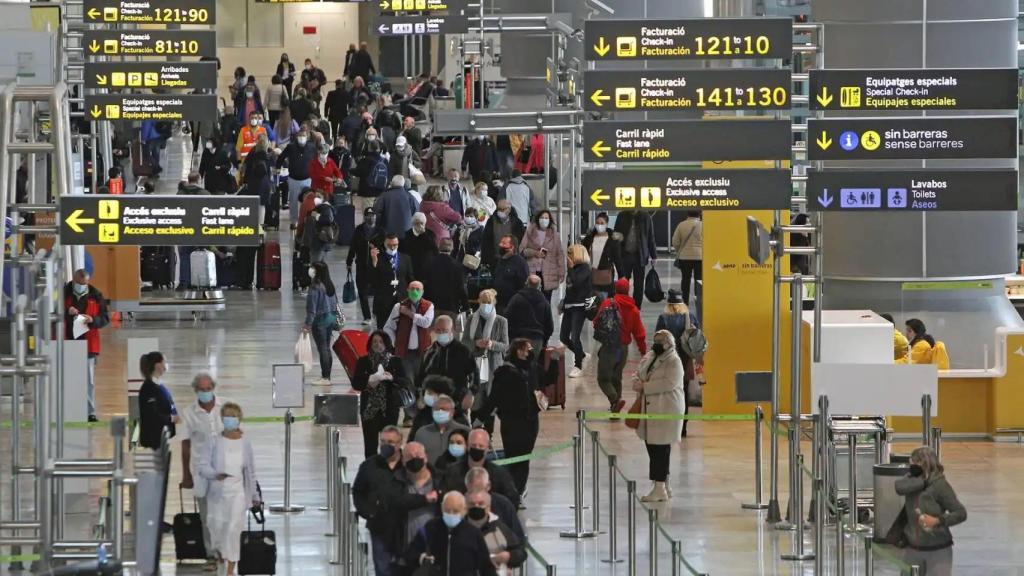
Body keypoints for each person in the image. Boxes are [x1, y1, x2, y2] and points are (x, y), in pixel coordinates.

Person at [198, 402, 261, 576]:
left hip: (238, 494)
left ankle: (231, 571)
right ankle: (220, 561)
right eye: (227, 416)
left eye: (233, 416)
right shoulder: (213, 441)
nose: (230, 420)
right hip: (217, 494)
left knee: (234, 529)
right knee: (217, 530)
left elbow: (251, 472)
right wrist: (215, 474)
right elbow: (202, 466)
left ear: (239, 420)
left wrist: (255, 495)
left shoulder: (245, 443)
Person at [477, 338, 541, 495]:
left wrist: (553, 362)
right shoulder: (505, 373)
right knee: (514, 457)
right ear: (519, 351)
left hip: (530, 422)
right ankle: (513, 490)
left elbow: (545, 382)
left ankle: (519, 491)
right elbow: (494, 398)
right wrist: (480, 418)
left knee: (524, 459)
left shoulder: (530, 368)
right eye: (528, 349)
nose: (530, 352)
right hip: (512, 423)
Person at [631, 330, 687, 502]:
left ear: (669, 343)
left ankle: (659, 487)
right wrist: (637, 381)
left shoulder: (674, 361)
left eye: (661, 340)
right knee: (654, 446)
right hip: (650, 410)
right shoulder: (651, 355)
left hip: (666, 409)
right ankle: (664, 484)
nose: (657, 343)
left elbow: (669, 383)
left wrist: (644, 387)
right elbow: (640, 370)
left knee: (659, 449)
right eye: (655, 340)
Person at [893, 446, 966, 576]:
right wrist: (922, 482)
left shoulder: (940, 486)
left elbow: (960, 513)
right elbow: (899, 487)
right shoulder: (910, 479)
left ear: (925, 463)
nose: (911, 467)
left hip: (938, 550)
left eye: (915, 463)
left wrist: (938, 521)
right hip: (912, 548)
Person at [179, 372, 225, 567]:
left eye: (208, 389)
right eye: (202, 390)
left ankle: (225, 549)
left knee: (224, 513)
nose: (206, 393)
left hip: (225, 470)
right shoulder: (189, 413)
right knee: (207, 515)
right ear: (196, 391)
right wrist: (186, 474)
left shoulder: (226, 407)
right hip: (201, 472)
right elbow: (185, 444)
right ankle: (211, 552)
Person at [352, 425, 407, 576]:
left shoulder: (409, 465)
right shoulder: (369, 466)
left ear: (400, 443)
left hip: (405, 527)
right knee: (383, 568)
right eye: (383, 441)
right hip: (379, 526)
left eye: (390, 442)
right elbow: (358, 491)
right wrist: (368, 512)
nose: (386, 445)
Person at [407, 491, 497, 576]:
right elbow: (411, 553)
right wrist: (422, 558)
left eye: (455, 511)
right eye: (447, 510)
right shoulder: (430, 527)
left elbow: (486, 567)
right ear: (442, 507)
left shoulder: (473, 533)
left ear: (464, 510)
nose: (451, 514)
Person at [352, 331, 410, 458]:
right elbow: (356, 383)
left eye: (380, 342)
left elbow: (405, 382)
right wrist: (368, 381)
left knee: (389, 443)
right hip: (369, 409)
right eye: (374, 342)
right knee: (370, 445)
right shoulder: (363, 361)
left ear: (386, 344)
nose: (378, 345)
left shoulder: (395, 361)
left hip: (389, 408)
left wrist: (392, 378)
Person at [594, 278, 647, 413]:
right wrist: (643, 351)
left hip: (609, 348)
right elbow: (639, 334)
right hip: (623, 350)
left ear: (616, 289)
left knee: (603, 379)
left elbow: (596, 322)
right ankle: (615, 408)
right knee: (616, 377)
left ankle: (614, 399)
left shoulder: (608, 303)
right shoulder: (633, 309)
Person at [64, 269, 110, 421]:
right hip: (68, 341)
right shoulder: (64, 293)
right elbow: (53, 312)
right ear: (74, 281)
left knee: (88, 380)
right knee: (69, 378)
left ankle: (90, 412)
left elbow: (105, 318)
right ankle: (70, 409)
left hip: (88, 344)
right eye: (79, 284)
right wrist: (66, 311)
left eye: (85, 284)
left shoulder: (96, 295)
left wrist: (93, 320)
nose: (82, 286)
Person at [442, 429, 520, 508]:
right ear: (468, 446)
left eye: (481, 446)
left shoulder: (499, 474)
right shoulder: (452, 472)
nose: (477, 448)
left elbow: (513, 500)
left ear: (487, 449)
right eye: (473, 445)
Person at [417, 316, 479, 414]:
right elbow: (421, 376)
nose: (441, 333)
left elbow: (475, 374)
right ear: (433, 331)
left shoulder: (463, 351)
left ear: (452, 331)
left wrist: (471, 394)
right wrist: (421, 395)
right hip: (432, 402)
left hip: (457, 401)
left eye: (445, 330)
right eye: (438, 330)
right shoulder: (429, 352)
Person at [655, 290, 697, 437]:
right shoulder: (690, 317)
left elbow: (657, 341)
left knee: (668, 393)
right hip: (685, 361)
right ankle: (683, 427)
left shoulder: (663, 318)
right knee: (683, 393)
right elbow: (697, 339)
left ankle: (670, 424)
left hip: (668, 361)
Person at [384, 280, 435, 381]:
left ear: (422, 291)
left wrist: (409, 313)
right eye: (412, 289)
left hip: (422, 352)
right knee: (407, 379)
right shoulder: (398, 307)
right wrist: (396, 342)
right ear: (407, 290)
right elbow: (388, 327)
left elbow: (426, 323)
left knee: (422, 379)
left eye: (418, 289)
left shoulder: (429, 306)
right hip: (404, 353)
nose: (415, 291)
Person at [467, 490, 526, 575]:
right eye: (472, 504)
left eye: (480, 504)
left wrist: (509, 556)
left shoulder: (499, 528)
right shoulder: (457, 529)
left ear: (488, 508)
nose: (476, 507)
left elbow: (521, 552)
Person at [303, 261, 339, 386]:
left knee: (322, 348)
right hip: (330, 318)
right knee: (327, 348)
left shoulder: (315, 287)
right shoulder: (329, 284)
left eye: (312, 268)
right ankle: (327, 375)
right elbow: (335, 303)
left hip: (320, 321)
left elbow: (311, 309)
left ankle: (325, 377)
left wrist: (307, 325)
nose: (310, 270)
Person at [461, 289, 508, 385]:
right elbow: (464, 341)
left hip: (494, 364)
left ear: (494, 303)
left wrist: (492, 344)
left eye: (489, 302)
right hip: (474, 361)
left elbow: (505, 345)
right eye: (483, 302)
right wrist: (476, 343)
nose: (486, 305)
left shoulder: (502, 321)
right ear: (479, 302)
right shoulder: (471, 318)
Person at [464, 468, 525, 541]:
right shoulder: (457, 505)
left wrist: (509, 552)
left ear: (488, 486)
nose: (477, 495)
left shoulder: (504, 505)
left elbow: (518, 540)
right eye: (472, 491)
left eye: (479, 489)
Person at [348, 207, 385, 324]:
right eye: (368, 215)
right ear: (364, 217)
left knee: (377, 291)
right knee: (362, 291)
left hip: (376, 265)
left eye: (372, 215)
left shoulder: (380, 231)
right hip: (361, 265)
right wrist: (349, 261)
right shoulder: (359, 230)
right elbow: (353, 246)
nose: (371, 217)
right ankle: (367, 316)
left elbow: (384, 248)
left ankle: (375, 312)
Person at [370, 234, 415, 330]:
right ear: (385, 244)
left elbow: (410, 278)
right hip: (384, 300)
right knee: (383, 328)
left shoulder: (406, 258)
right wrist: (374, 263)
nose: (393, 247)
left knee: (402, 328)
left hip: (402, 298)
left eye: (395, 245)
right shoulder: (378, 258)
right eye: (389, 245)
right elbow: (372, 280)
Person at [614, 210, 657, 309]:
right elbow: (616, 235)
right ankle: (622, 305)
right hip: (625, 255)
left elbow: (650, 237)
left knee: (639, 284)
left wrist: (653, 255)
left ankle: (636, 308)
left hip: (640, 256)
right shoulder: (622, 215)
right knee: (623, 283)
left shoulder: (646, 217)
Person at [561, 245, 593, 378]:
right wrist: (563, 304)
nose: (568, 256)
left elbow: (577, 282)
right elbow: (569, 288)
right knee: (563, 337)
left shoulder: (585, 268)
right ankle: (582, 354)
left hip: (579, 307)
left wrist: (570, 268)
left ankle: (578, 364)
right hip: (569, 306)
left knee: (575, 336)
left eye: (570, 253)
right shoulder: (572, 269)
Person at [520, 209, 564, 301]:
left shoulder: (555, 235)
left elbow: (559, 254)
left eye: (546, 218)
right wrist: (534, 253)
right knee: (531, 299)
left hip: (549, 272)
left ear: (550, 220)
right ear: (538, 219)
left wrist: (561, 273)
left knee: (546, 300)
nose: (544, 220)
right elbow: (522, 250)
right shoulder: (530, 232)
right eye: (542, 217)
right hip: (533, 271)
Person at [414, 394, 471, 466]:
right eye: (437, 409)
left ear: (452, 412)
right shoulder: (422, 433)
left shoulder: (465, 431)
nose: (440, 412)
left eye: (444, 409)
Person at [138, 351, 177, 450]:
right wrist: (171, 418)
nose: (166, 365)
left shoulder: (159, 386)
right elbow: (152, 415)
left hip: (161, 437)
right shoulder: (149, 388)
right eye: (164, 362)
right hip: (153, 438)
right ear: (158, 365)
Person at [504, 275, 554, 354]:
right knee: (533, 364)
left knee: (515, 363)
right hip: (537, 339)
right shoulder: (545, 302)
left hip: (518, 337)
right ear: (540, 286)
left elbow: (507, 317)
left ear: (526, 283)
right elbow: (550, 326)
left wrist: (510, 335)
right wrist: (544, 340)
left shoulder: (516, 298)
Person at [277, 129, 316, 227]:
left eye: (304, 136)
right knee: (293, 200)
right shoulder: (291, 147)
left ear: (307, 137)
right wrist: (278, 167)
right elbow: (281, 157)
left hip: (307, 179)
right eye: (300, 136)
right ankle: (293, 221)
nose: (302, 138)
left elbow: (316, 159)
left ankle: (307, 220)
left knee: (307, 201)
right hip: (293, 178)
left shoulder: (312, 147)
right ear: (297, 137)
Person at [423, 239, 469, 321]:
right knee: (449, 332)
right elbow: (461, 288)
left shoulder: (429, 263)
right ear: (452, 248)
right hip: (451, 307)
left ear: (438, 247)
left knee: (432, 332)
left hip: (432, 306)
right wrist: (466, 306)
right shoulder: (457, 266)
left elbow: (424, 284)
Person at [582, 212, 623, 298]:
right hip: (592, 276)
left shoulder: (612, 240)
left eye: (602, 223)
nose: (599, 225)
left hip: (606, 277)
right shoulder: (590, 238)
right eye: (597, 223)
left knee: (604, 304)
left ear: (606, 224)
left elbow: (618, 259)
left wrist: (621, 276)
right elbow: (583, 253)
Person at [481, 200, 526, 269]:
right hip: (495, 259)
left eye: (503, 209)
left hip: (513, 259)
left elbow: (522, 240)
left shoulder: (517, 222)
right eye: (499, 209)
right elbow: (486, 241)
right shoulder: (491, 221)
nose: (500, 211)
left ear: (509, 209)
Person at [672, 211, 703, 307]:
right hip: (700, 257)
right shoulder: (703, 225)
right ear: (700, 214)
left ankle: (685, 302)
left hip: (685, 257)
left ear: (687, 214)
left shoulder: (681, 225)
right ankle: (699, 301)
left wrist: (680, 251)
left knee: (685, 280)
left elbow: (675, 241)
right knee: (699, 280)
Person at [492, 235, 529, 314]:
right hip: (499, 304)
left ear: (512, 247)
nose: (500, 245)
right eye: (501, 242)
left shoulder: (520, 263)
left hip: (512, 305)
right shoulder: (500, 261)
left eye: (504, 243)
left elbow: (524, 285)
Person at [400, 212, 438, 278]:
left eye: (422, 223)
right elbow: (403, 251)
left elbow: (433, 249)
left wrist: (424, 234)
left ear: (425, 223)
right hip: (411, 267)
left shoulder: (430, 234)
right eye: (417, 223)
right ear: (413, 223)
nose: (420, 225)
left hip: (426, 268)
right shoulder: (406, 235)